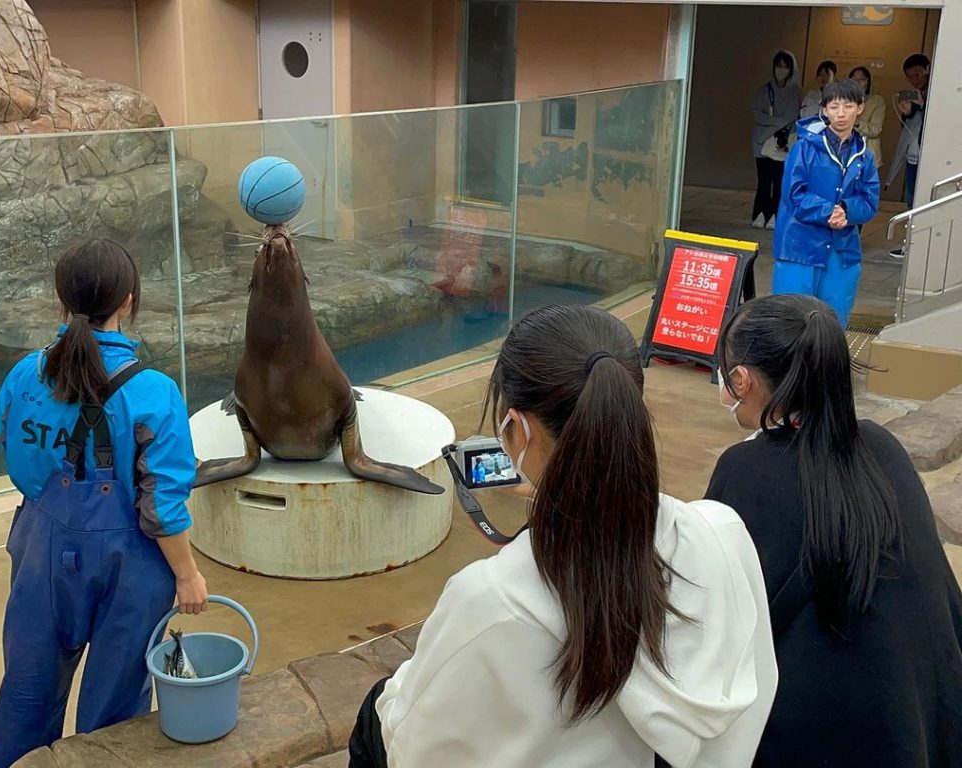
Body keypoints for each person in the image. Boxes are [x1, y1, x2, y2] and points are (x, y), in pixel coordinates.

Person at [348, 304, 778, 768]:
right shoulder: (723, 533)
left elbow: (416, 752)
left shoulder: (491, 600)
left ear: (516, 430)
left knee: (378, 713)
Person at [707, 294, 962, 767]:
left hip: (817, 737)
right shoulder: (883, 447)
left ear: (741, 380)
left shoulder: (747, 470)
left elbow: (717, 622)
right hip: (925, 719)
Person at [0, 240, 208, 768]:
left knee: (27, 692)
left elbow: (9, 440)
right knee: (115, 708)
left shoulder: (26, 373)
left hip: (40, 549)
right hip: (128, 568)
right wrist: (187, 575)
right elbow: (163, 506)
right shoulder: (153, 391)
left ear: (61, 300)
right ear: (128, 301)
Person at [771, 79, 879, 328]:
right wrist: (829, 211)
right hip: (799, 246)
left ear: (860, 108)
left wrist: (847, 211)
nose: (840, 114)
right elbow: (793, 194)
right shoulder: (803, 148)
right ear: (824, 110)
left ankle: (824, 368)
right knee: (791, 322)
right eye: (834, 106)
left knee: (832, 323)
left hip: (842, 250)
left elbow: (869, 200)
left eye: (848, 106)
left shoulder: (865, 155)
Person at [886, 53, 931, 257]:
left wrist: (924, 104)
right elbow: (909, 127)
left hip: (930, 157)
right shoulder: (914, 95)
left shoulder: (937, 91)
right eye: (910, 76)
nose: (915, 79)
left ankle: (923, 244)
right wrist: (906, 110)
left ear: (927, 70)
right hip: (913, 157)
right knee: (912, 200)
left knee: (926, 201)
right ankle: (911, 244)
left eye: (918, 74)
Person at [751, 50, 801, 230]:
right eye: (778, 66)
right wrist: (779, 123)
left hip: (784, 144)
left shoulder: (794, 91)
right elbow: (757, 113)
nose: (781, 70)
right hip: (762, 144)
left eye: (785, 67)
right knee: (763, 181)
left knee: (780, 181)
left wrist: (771, 124)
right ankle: (759, 214)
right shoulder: (764, 89)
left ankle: (775, 215)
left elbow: (792, 116)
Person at [849, 66, 886, 171]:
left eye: (862, 79)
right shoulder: (843, 100)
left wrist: (856, 122)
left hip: (868, 156)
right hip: (846, 154)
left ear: (868, 81)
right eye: (854, 79)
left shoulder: (877, 101)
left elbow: (876, 130)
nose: (858, 83)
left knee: (866, 187)